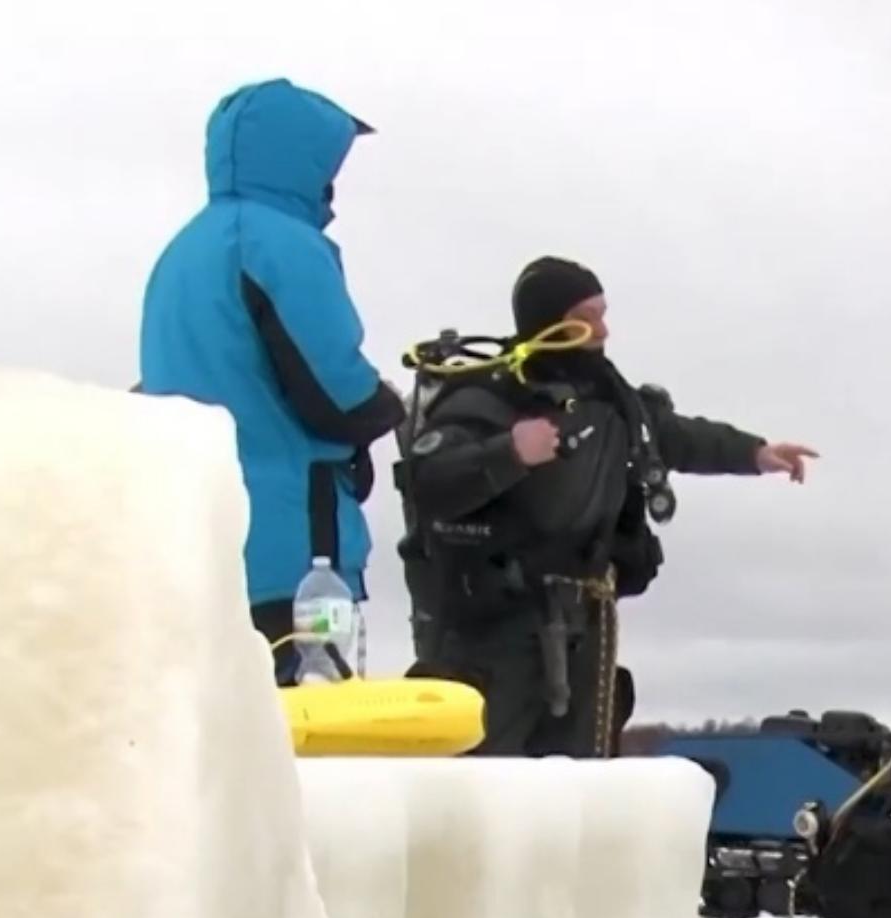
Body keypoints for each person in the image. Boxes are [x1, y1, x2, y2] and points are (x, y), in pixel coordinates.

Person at [394, 256, 817, 758]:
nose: (602, 330)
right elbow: (431, 479)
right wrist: (509, 453)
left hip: (583, 628)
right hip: (496, 626)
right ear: (550, 322)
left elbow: (677, 436)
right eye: (586, 317)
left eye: (602, 313)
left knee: (578, 781)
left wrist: (755, 452)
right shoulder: (487, 398)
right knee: (490, 777)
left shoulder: (614, 400)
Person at [138, 78, 404, 681]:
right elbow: (336, 392)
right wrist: (391, 407)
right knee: (298, 742)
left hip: (196, 543)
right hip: (292, 555)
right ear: (304, 157)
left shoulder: (182, 253)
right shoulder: (281, 244)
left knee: (217, 741)